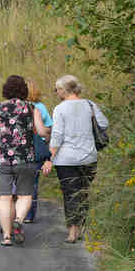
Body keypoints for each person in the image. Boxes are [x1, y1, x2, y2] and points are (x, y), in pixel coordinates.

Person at [43, 75, 108, 243]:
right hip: (89, 157)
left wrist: (49, 157)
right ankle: (80, 228)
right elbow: (104, 124)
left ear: (64, 90)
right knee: (84, 192)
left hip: (66, 159)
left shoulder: (60, 109)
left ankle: (72, 231)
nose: (56, 92)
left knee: (70, 194)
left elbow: (57, 136)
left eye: (56, 89)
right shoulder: (90, 105)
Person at [0, 75, 47, 246]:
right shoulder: (31, 107)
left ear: (6, 89)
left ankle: (6, 236)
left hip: (2, 159)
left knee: (4, 198)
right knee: (25, 195)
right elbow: (41, 132)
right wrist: (49, 134)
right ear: (24, 90)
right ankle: (19, 220)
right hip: (25, 159)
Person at [22, 81, 53, 223]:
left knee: (17, 182)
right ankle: (29, 214)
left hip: (21, 148)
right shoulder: (41, 107)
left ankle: (17, 212)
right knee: (33, 183)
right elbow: (49, 129)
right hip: (37, 148)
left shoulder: (17, 107)